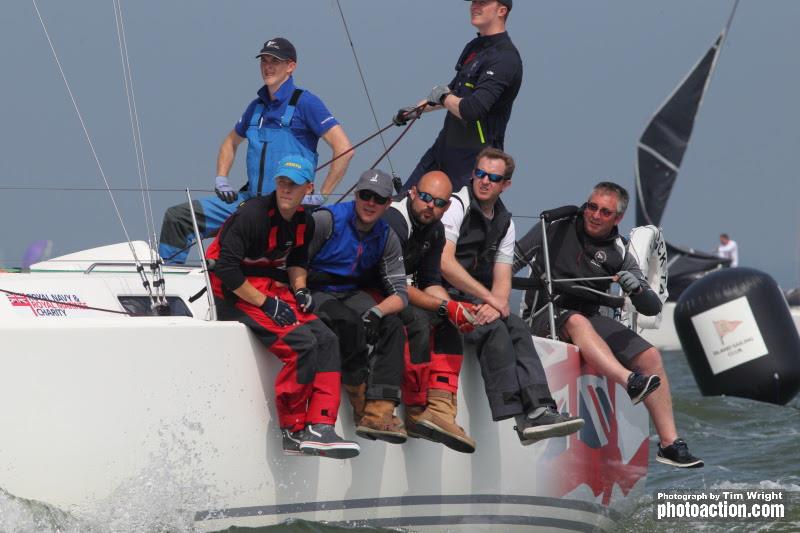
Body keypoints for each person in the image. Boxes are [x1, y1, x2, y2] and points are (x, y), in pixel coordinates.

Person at [514, 181, 704, 468]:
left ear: (617, 219)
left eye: (604, 212)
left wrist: (637, 289)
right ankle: (630, 382)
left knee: (650, 356)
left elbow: (651, 307)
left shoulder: (619, 250)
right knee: (577, 321)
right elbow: (510, 261)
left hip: (588, 318)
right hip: (543, 313)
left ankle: (669, 445)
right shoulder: (554, 227)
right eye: (591, 207)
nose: (594, 215)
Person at [205, 155, 359, 459]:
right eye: (282, 183)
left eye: (294, 184)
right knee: (302, 344)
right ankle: (292, 431)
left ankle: (321, 425)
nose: (286, 189)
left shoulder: (305, 221)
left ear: (308, 187)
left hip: (269, 287)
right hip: (232, 292)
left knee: (327, 339)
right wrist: (267, 304)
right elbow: (226, 269)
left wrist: (300, 290)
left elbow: (298, 260)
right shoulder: (253, 215)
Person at [160, 37, 354, 264]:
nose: (268, 66)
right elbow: (230, 142)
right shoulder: (256, 107)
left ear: (291, 67)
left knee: (230, 253)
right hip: (250, 200)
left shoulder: (306, 103)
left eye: (275, 61)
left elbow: (344, 149)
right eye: (264, 61)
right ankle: (168, 281)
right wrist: (222, 178)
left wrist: (322, 194)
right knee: (179, 218)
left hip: (284, 208)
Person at [440, 147, 584, 445]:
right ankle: (515, 413)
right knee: (493, 328)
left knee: (516, 325)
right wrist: (490, 300)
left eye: (493, 178)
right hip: (442, 295)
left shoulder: (505, 222)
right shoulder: (456, 205)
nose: (484, 182)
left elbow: (503, 278)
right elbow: (445, 263)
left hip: (477, 300)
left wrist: (499, 303)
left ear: (506, 184)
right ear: (472, 174)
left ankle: (540, 409)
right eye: (480, 174)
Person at [306, 169, 409, 444]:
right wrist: (300, 292)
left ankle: (381, 410)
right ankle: (360, 403)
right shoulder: (326, 220)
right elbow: (292, 262)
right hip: (314, 289)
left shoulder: (387, 236)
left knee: (393, 325)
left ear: (388, 204)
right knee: (348, 322)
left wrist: (377, 312)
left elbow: (401, 292)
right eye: (366, 195)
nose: (371, 203)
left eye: (379, 198)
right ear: (356, 195)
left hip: (350, 291)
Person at [384, 170, 479, 453]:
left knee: (448, 322)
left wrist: (457, 310)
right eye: (425, 198)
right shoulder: (394, 221)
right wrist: (445, 305)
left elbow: (430, 282)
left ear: (447, 207)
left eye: (438, 203)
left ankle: (440, 409)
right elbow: (395, 282)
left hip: (399, 292)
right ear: (413, 193)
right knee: (416, 321)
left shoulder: (435, 229)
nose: (430, 206)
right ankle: (415, 410)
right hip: (374, 290)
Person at [396, 0, 522, 192]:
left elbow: (472, 109)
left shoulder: (505, 58)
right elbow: (454, 92)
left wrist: (444, 96)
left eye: (483, 2)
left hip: (475, 161)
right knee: (402, 205)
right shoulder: (474, 47)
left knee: (453, 219)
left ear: (502, 10)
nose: (475, 6)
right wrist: (416, 109)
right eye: (473, 2)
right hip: (443, 148)